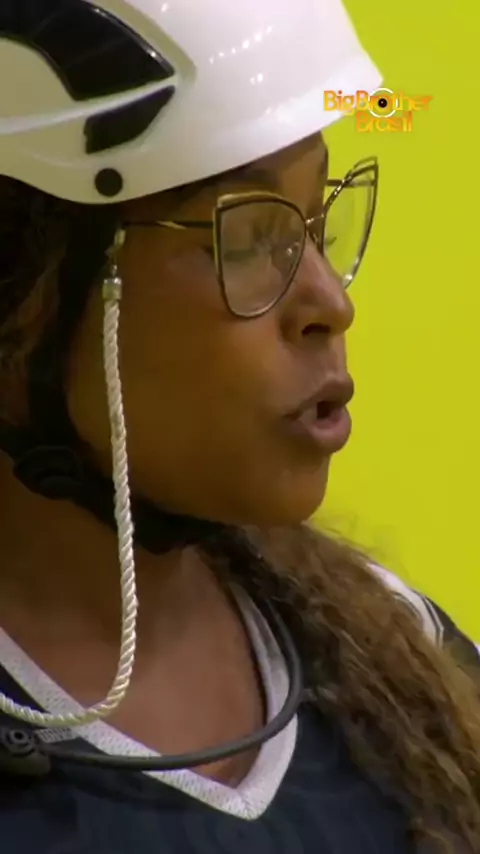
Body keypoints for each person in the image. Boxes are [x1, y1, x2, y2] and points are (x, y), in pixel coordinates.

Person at [0, 0, 478, 851]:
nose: (330, 304)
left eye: (317, 221)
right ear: (28, 288)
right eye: (249, 237)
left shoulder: (404, 657)